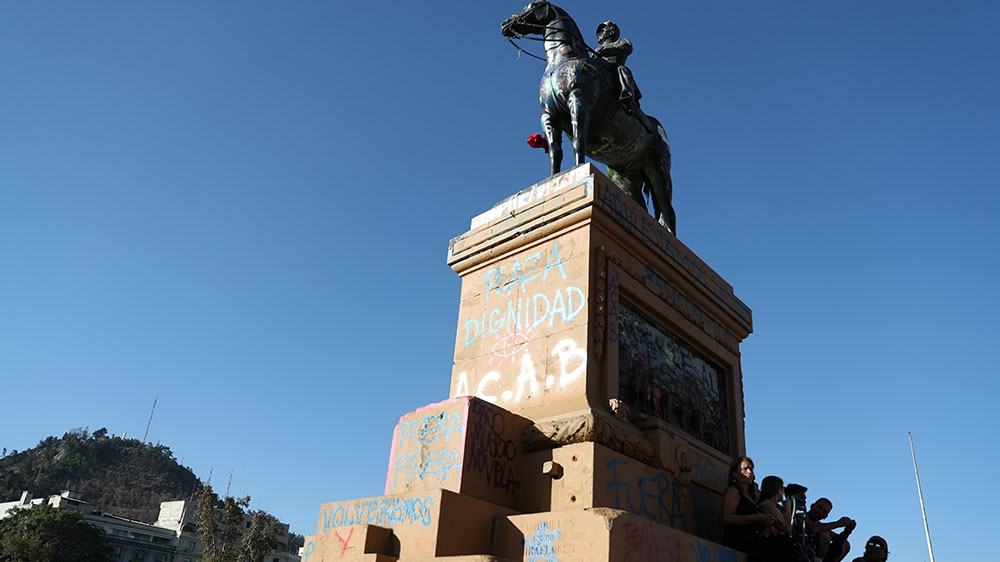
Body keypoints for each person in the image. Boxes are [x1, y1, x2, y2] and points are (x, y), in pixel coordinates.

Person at [721, 457, 798, 562]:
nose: (749, 472)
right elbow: (727, 518)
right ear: (735, 473)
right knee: (783, 544)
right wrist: (755, 518)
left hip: (755, 540)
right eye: (745, 469)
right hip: (740, 540)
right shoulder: (733, 491)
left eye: (751, 469)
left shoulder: (751, 497)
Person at [594, 21, 642, 112]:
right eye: (598, 32)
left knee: (622, 69)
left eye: (602, 30)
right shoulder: (597, 50)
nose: (598, 34)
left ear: (612, 31)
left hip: (614, 70)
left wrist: (605, 50)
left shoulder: (621, 41)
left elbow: (627, 47)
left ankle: (627, 95)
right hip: (601, 70)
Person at [806, 497, 856, 562]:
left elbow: (838, 538)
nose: (820, 512)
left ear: (825, 516)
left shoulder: (822, 527)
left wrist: (847, 531)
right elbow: (812, 529)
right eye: (819, 508)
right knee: (825, 535)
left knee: (845, 544)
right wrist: (838, 523)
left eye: (824, 512)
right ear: (812, 506)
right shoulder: (800, 517)